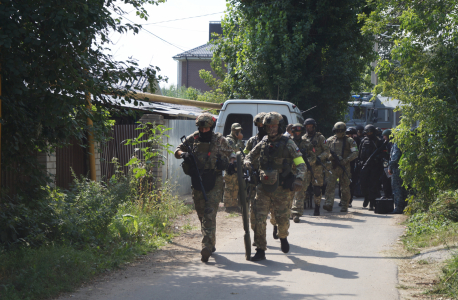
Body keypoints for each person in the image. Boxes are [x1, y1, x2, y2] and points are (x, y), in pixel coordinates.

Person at [244, 112, 306, 261]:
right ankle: (260, 250)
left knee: (283, 220)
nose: (271, 129)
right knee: (259, 217)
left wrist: (299, 179)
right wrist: (246, 162)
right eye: (268, 126)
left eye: (274, 126)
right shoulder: (263, 142)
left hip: (282, 188)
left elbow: (301, 164)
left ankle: (283, 237)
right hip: (263, 186)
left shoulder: (288, 143)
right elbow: (249, 156)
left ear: (280, 127)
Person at [175, 113, 234, 262]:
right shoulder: (193, 138)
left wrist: (226, 163)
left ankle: (206, 247)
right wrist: (184, 154)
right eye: (201, 128)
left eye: (207, 128)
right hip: (197, 180)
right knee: (201, 214)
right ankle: (210, 241)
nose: (204, 131)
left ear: (211, 127)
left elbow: (232, 155)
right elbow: (177, 151)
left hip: (214, 180)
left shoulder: (219, 140)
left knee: (209, 213)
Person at [295, 118, 329, 216]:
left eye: (310, 127)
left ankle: (317, 207)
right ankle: (299, 209)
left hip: (317, 167)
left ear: (314, 127)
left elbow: (327, 151)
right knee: (302, 188)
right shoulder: (303, 138)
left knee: (317, 189)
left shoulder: (320, 138)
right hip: (306, 165)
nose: (309, 128)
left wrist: (319, 157)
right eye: (307, 127)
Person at [323, 122, 359, 212]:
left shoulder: (350, 140)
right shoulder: (330, 140)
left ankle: (344, 205)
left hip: (344, 167)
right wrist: (329, 157)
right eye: (337, 131)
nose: (338, 132)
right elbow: (324, 150)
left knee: (345, 187)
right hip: (332, 166)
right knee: (330, 186)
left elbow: (355, 152)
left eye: (340, 130)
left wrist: (346, 160)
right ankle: (329, 204)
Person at [243, 112, 267, 234]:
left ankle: (275, 226)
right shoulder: (252, 141)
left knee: (273, 208)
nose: (260, 127)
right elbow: (245, 155)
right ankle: (256, 232)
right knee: (253, 207)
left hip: (270, 178)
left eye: (262, 124)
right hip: (254, 178)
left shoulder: (273, 141)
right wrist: (246, 164)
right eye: (258, 124)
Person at [290, 123, 316, 223]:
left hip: (302, 171)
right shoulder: (287, 142)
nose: (297, 133)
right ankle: (289, 212)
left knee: (300, 192)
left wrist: (305, 162)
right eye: (295, 132)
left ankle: (296, 213)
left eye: (299, 132)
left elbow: (313, 157)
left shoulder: (307, 143)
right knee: (289, 192)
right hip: (289, 171)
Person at [358, 124, 384, 210]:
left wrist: (377, 158)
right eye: (367, 132)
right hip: (364, 165)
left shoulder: (379, 141)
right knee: (363, 184)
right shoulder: (363, 140)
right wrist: (359, 161)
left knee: (373, 185)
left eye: (371, 132)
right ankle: (366, 197)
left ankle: (372, 202)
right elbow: (359, 152)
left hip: (374, 166)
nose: (369, 133)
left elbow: (383, 153)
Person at [223, 123, 245, 212]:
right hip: (230, 166)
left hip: (237, 166)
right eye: (236, 131)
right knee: (229, 186)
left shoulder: (236, 140)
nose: (238, 132)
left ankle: (234, 205)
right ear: (232, 130)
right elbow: (234, 149)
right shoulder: (229, 139)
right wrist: (240, 140)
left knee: (236, 186)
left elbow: (243, 149)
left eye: (239, 130)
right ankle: (228, 206)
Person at [388, 139, 407, 214]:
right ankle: (406, 207)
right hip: (407, 169)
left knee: (397, 189)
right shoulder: (409, 142)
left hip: (397, 169)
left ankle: (398, 208)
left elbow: (395, 157)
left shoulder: (398, 143)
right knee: (406, 189)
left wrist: (390, 167)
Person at [346, 127, 358, 207]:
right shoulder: (344, 141)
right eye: (348, 134)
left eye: (351, 134)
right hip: (344, 164)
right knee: (343, 183)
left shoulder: (357, 141)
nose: (349, 136)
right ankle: (344, 200)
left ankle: (349, 200)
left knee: (352, 183)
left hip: (353, 164)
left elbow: (356, 152)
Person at [381, 129, 393, 199]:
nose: (384, 137)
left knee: (390, 181)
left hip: (391, 165)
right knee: (384, 179)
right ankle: (386, 194)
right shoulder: (385, 143)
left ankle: (390, 194)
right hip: (386, 164)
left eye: (385, 136)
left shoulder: (392, 144)